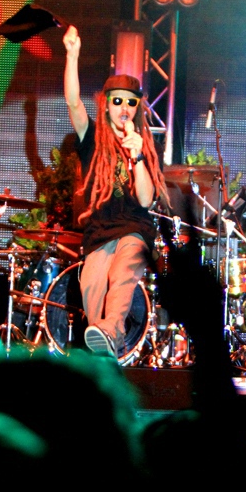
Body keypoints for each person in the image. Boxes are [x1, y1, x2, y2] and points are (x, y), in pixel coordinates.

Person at [62, 24, 169, 358]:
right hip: (100, 228)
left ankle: (111, 332)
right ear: (106, 104)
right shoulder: (92, 138)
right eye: (118, 100)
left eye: (131, 102)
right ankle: (107, 348)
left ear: (137, 107)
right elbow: (73, 102)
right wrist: (72, 55)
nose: (124, 107)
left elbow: (146, 199)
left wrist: (137, 157)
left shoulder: (145, 145)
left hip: (134, 227)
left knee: (124, 271)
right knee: (92, 289)